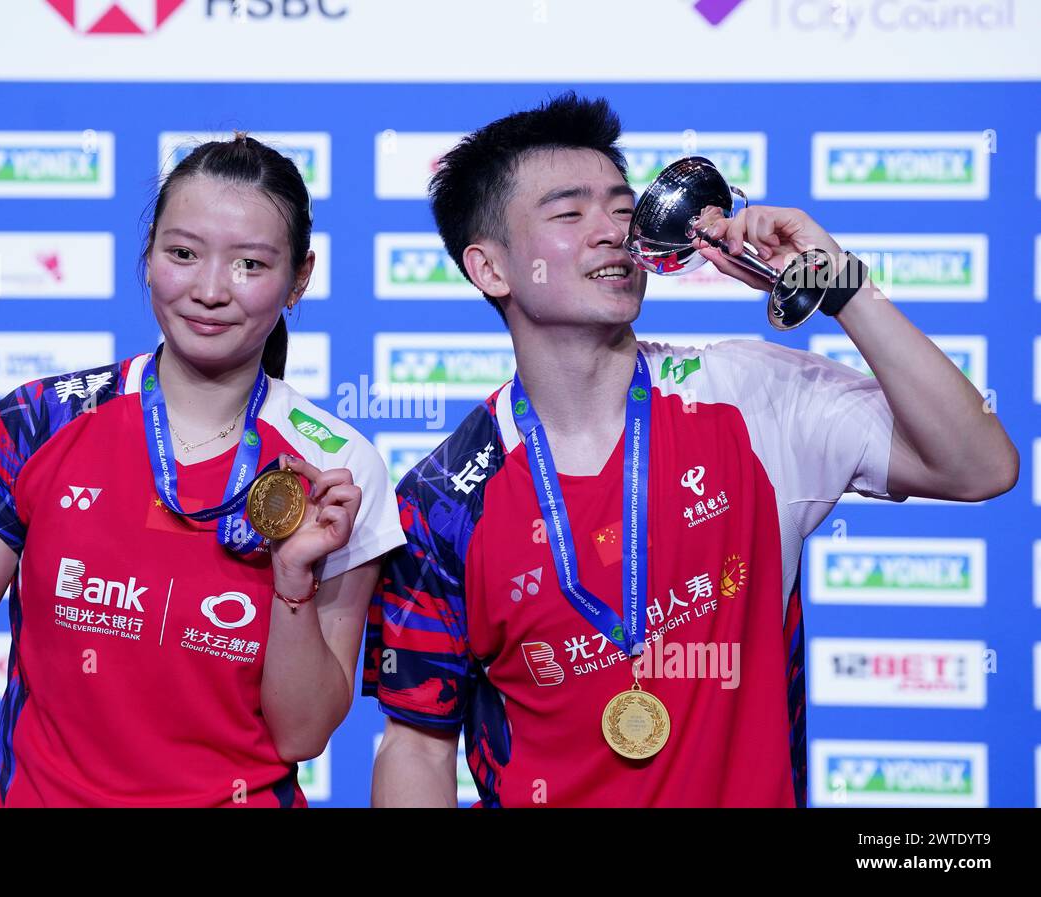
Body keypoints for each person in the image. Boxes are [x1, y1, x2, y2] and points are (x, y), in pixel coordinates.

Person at [362, 93, 1018, 808]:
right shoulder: (442, 501)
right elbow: (419, 746)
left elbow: (980, 465)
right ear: (490, 269)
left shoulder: (751, 395)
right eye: (569, 213)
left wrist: (840, 284)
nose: (612, 232)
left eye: (621, 207)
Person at [0, 134, 404, 807]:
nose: (210, 289)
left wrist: (291, 579)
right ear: (149, 254)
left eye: (250, 263)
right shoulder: (44, 419)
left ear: (299, 278)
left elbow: (301, 732)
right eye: (182, 253)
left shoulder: (336, 465)